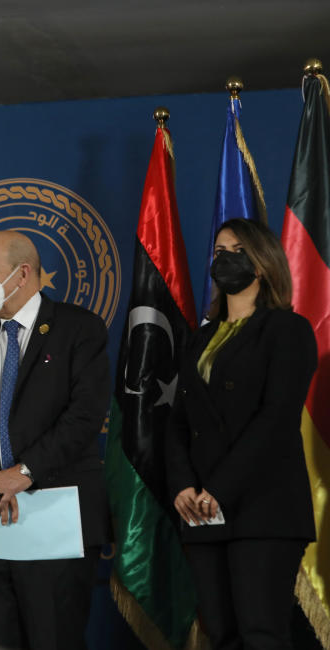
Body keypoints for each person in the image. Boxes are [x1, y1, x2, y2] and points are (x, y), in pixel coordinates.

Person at [0, 229, 110, 649]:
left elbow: (84, 415)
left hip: (56, 517)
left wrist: (23, 473)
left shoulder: (78, 329)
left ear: (23, 274)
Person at [165, 218, 316, 650]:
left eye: (235, 251)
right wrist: (183, 487)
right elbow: (178, 421)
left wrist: (219, 487)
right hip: (201, 510)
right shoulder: (201, 338)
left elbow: (276, 419)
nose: (223, 259)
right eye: (217, 252)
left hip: (262, 508)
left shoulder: (288, 331)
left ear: (263, 265)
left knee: (261, 633)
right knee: (222, 634)